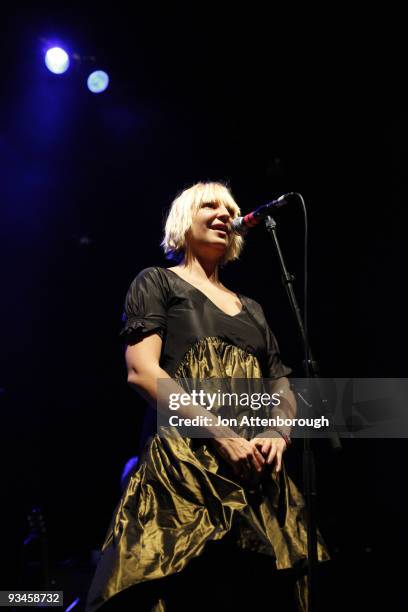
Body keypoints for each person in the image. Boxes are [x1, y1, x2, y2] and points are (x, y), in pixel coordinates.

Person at [86, 182, 329, 612]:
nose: (224, 213)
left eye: (231, 208)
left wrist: (278, 430)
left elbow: (281, 383)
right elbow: (142, 372)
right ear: (184, 219)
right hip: (184, 472)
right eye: (210, 205)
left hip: (256, 475)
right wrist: (222, 434)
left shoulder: (252, 307)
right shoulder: (157, 282)